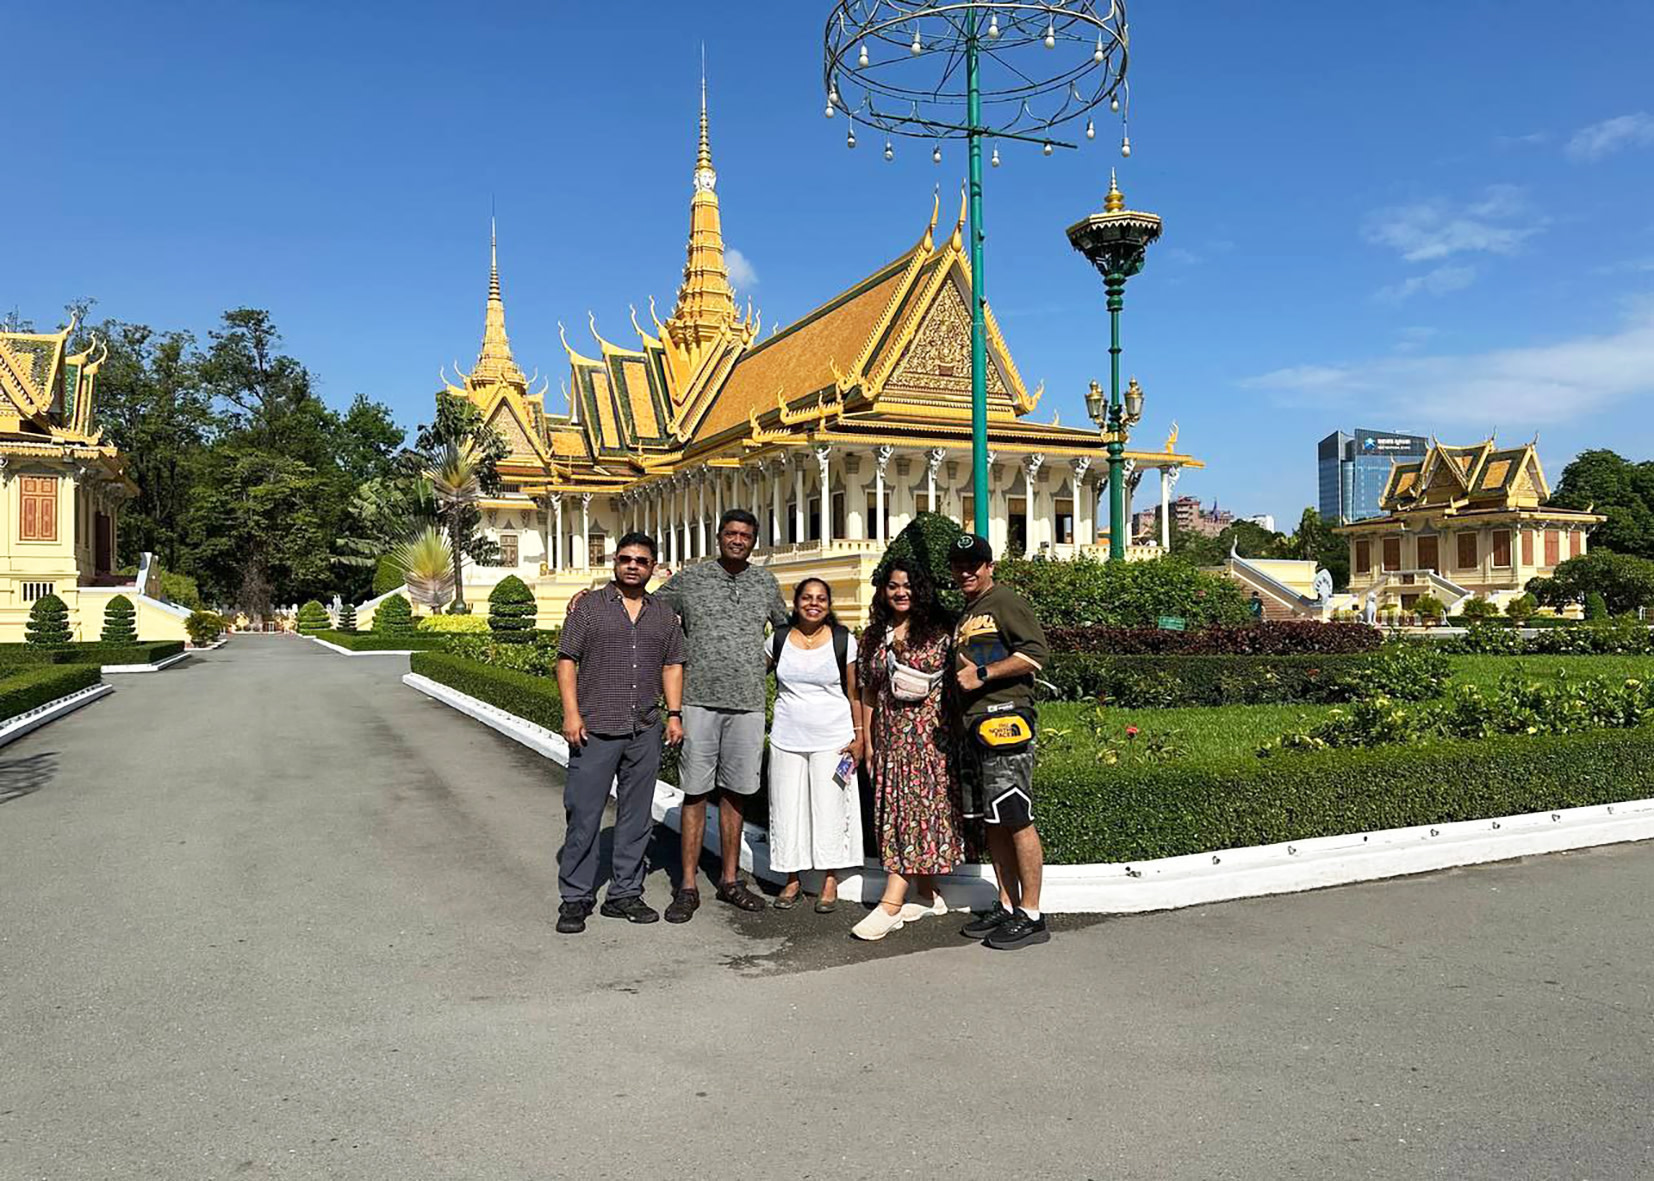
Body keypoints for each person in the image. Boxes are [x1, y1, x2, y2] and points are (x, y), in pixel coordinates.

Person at [652, 509, 789, 921]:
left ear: (754, 541)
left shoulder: (765, 581)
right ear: (718, 537)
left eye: (745, 535)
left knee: (736, 793)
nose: (737, 540)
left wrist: (758, 667)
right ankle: (688, 885)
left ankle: (730, 880)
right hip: (698, 701)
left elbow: (786, 633)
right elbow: (649, 605)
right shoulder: (692, 579)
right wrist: (598, 596)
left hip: (747, 703)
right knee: (695, 792)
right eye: (731, 533)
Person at [553, 532, 685, 935]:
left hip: (643, 727)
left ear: (653, 567)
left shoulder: (663, 615)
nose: (632, 565)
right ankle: (575, 897)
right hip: (595, 728)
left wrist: (674, 714)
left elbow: (673, 665)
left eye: (641, 560)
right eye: (625, 558)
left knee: (636, 816)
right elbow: (566, 661)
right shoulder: (589, 609)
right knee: (584, 814)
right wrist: (571, 714)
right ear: (614, 561)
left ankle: (625, 892)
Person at [851, 558, 965, 942]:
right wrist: (867, 739)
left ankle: (891, 904)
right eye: (893, 586)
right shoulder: (873, 635)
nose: (901, 592)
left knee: (913, 815)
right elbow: (868, 690)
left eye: (909, 585)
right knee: (896, 812)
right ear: (883, 590)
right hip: (889, 739)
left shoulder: (940, 632)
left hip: (930, 739)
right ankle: (929, 894)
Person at [948, 533, 1052, 951]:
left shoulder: (1004, 601)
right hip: (975, 726)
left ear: (990, 566)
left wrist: (985, 675)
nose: (967, 570)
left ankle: (1032, 914)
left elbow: (1035, 654)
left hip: (1005, 719)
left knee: (1015, 815)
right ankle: (1007, 904)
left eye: (975, 563)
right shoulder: (968, 612)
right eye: (959, 564)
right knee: (992, 821)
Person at [764, 578, 863, 913]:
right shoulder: (777, 639)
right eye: (807, 597)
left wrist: (860, 735)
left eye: (821, 598)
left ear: (829, 603)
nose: (814, 604)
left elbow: (854, 692)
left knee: (830, 808)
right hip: (786, 737)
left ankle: (829, 879)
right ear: (796, 602)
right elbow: (751, 678)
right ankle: (792, 877)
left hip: (832, 738)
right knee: (787, 808)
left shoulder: (843, 640)